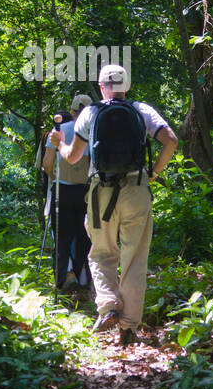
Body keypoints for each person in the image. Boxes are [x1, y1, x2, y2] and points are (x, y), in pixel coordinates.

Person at [50, 65, 177, 345]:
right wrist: (154, 172)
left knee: (101, 253)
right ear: (127, 86)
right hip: (137, 188)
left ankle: (108, 306)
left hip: (101, 192)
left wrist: (59, 143)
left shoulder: (91, 112)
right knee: (134, 258)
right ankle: (129, 325)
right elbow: (171, 140)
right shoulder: (142, 110)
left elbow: (72, 158)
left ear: (101, 85)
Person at [38, 93, 94, 294]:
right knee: (84, 236)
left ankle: (66, 275)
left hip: (63, 190)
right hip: (87, 192)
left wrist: (54, 178)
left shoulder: (59, 130)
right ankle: (83, 277)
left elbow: (46, 164)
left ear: (72, 111)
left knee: (62, 236)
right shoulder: (94, 132)